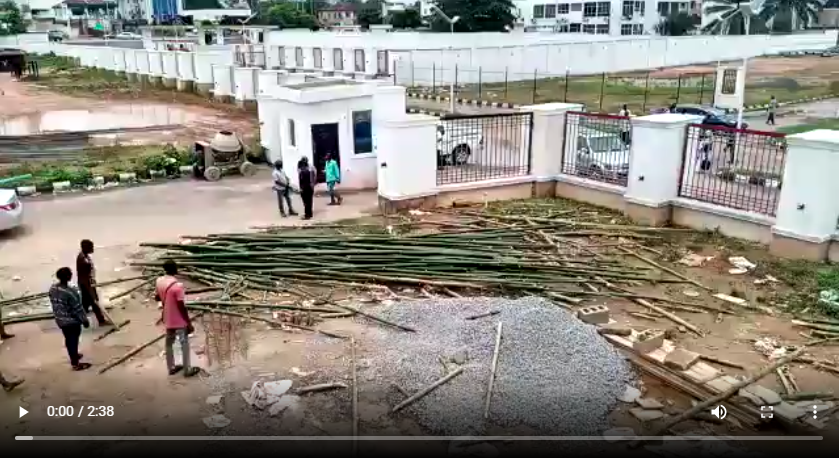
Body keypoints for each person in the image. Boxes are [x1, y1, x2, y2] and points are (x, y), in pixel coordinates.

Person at [155, 260, 200, 378]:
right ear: (174, 269)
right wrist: (188, 322)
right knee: (184, 344)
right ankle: (187, 369)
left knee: (169, 343)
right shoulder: (177, 286)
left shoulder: (159, 281)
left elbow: (157, 297)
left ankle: (171, 367)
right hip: (179, 320)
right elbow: (181, 306)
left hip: (167, 318)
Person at [49, 267, 92, 371]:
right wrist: (84, 320)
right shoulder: (71, 292)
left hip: (60, 319)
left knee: (68, 339)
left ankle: (74, 355)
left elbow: (53, 301)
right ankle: (75, 363)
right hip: (71, 321)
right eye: (70, 273)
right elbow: (78, 308)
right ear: (68, 277)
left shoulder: (53, 288)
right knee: (73, 340)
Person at [76, 239, 111, 327]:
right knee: (94, 302)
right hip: (86, 284)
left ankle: (79, 320)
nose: (93, 248)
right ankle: (101, 321)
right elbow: (84, 275)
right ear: (85, 247)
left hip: (88, 283)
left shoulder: (85, 256)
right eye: (91, 247)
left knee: (86, 304)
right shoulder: (82, 259)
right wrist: (90, 288)